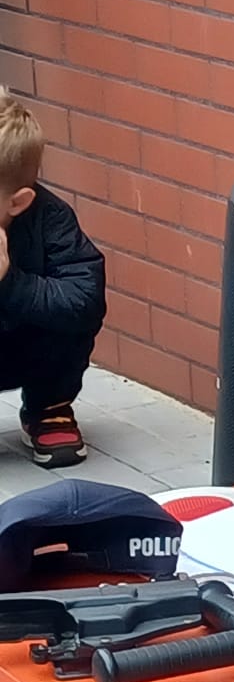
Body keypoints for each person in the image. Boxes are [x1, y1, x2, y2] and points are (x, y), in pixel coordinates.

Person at [0, 87, 106, 468]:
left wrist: (8, 281)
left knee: (71, 316)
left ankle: (49, 407)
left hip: (24, 350)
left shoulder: (52, 220)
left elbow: (85, 298)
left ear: (18, 201)